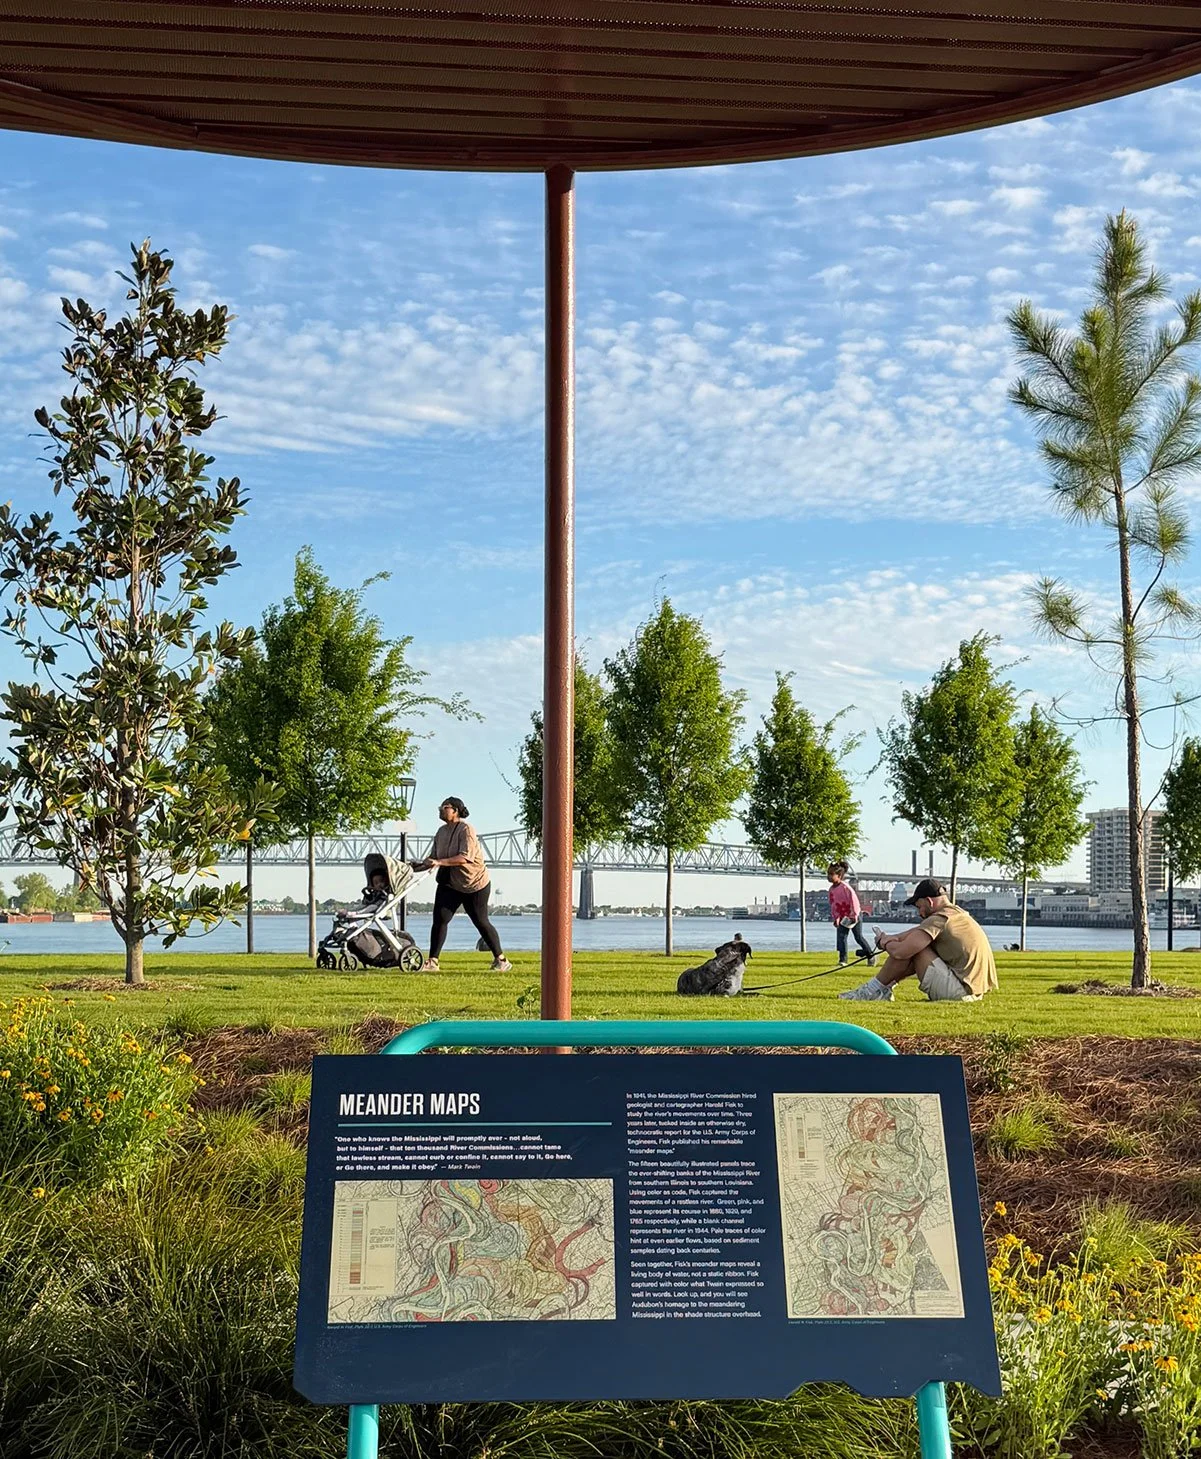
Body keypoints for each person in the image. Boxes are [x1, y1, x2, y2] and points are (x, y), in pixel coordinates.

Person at [838, 878, 997, 1002]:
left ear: (929, 901)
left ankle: (870, 991)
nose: (919, 913)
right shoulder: (955, 914)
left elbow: (901, 952)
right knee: (915, 944)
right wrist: (892, 938)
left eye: (919, 906)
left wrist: (885, 942)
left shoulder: (939, 919)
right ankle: (881, 990)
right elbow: (915, 932)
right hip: (973, 992)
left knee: (915, 950)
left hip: (959, 993)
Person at [413, 798, 511, 972]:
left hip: (474, 883)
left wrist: (439, 862)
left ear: (456, 810)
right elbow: (433, 859)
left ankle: (501, 960)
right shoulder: (440, 832)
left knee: (481, 921)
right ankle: (433, 962)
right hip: (450, 882)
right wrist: (414, 866)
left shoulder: (467, 830)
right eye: (440, 807)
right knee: (439, 920)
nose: (440, 810)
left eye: (444, 807)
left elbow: (465, 857)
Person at [826, 861, 876, 968]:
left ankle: (870, 955)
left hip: (854, 916)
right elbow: (833, 905)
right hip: (843, 917)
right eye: (828, 874)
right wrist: (836, 918)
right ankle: (843, 960)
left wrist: (854, 916)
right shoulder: (831, 890)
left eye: (831, 874)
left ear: (839, 876)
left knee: (858, 937)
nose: (829, 877)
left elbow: (854, 902)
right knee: (841, 937)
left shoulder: (845, 888)